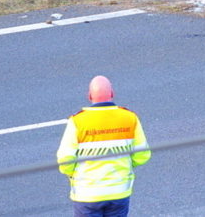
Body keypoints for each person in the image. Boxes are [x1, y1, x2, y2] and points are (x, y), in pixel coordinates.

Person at [57, 76, 151, 217]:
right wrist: (124, 165)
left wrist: (76, 174)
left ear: (89, 96)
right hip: (119, 191)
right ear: (112, 93)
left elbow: (65, 160)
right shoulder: (129, 118)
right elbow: (142, 155)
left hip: (87, 194)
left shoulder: (77, 121)